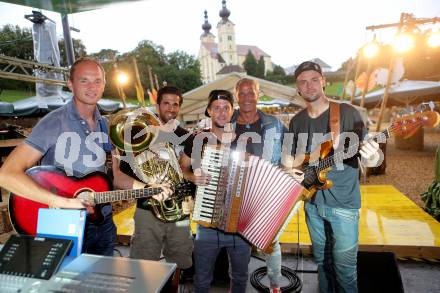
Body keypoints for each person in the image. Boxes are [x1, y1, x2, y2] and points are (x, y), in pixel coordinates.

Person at [0, 57, 171, 256]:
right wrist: (63, 202)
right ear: (70, 84)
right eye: (84, 80)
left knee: (103, 282)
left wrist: (148, 189)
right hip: (64, 224)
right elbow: (7, 174)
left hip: (103, 223)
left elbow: (117, 177)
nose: (92, 86)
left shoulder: (106, 126)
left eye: (97, 81)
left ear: (104, 84)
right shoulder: (53, 122)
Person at [288, 61, 380, 293]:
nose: (309, 85)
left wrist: (372, 157)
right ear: (297, 87)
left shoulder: (347, 112)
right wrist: (291, 169)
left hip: (344, 206)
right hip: (312, 204)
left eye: (314, 79)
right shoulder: (296, 121)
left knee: (345, 271)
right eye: (303, 82)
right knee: (322, 264)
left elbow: (371, 157)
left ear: (324, 82)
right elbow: (291, 157)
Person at [180, 90, 252, 293]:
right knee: (202, 279)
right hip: (207, 223)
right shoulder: (197, 139)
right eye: (217, 108)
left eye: (226, 108)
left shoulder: (245, 140)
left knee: (239, 277)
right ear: (209, 111)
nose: (221, 112)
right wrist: (193, 176)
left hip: (240, 225)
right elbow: (182, 168)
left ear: (232, 111)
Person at [128, 86, 194, 276]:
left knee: (181, 261)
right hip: (147, 208)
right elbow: (129, 168)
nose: (171, 108)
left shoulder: (187, 137)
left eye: (175, 104)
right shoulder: (141, 133)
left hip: (178, 210)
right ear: (157, 105)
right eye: (166, 103)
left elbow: (185, 171)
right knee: (143, 265)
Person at [231, 77, 286, 293]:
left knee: (271, 242)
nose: (246, 98)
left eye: (250, 92)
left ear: (258, 94)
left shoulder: (275, 124)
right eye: (241, 93)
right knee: (238, 246)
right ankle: (238, 286)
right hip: (237, 194)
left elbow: (289, 155)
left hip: (267, 193)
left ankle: (275, 285)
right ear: (236, 96)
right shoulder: (225, 124)